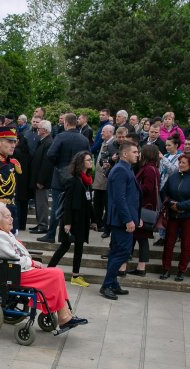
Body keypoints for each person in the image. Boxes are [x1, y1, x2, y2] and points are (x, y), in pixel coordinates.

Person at [0, 202, 88, 329]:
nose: (11, 219)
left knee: (56, 274)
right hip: (10, 272)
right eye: (7, 216)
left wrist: (30, 261)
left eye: (11, 216)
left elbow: (16, 256)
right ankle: (64, 316)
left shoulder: (4, 233)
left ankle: (65, 314)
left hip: (15, 270)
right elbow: (13, 258)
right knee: (56, 273)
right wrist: (31, 262)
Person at [40, 113, 90, 243]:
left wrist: (58, 165)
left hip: (60, 176)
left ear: (66, 123)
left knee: (57, 206)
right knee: (74, 205)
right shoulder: (84, 139)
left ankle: (51, 235)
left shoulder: (61, 136)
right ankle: (71, 235)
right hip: (77, 177)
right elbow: (88, 157)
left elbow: (50, 154)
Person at [47, 151, 95, 287]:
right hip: (72, 219)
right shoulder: (73, 180)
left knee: (79, 247)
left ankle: (75, 275)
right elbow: (67, 202)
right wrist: (67, 222)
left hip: (82, 219)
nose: (90, 162)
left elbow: (88, 201)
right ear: (81, 163)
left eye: (90, 160)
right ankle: (49, 270)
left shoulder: (87, 179)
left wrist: (95, 220)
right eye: (87, 160)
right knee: (65, 246)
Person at [101, 141, 139, 300]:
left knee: (117, 252)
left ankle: (113, 283)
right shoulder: (120, 170)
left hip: (124, 218)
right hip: (121, 220)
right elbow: (120, 198)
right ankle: (107, 284)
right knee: (122, 252)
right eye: (135, 152)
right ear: (125, 154)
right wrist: (128, 220)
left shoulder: (125, 168)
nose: (138, 154)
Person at [160, 154, 190, 281]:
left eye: (183, 162)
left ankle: (181, 270)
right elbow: (163, 192)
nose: (180, 164)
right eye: (180, 162)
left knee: (186, 244)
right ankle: (166, 269)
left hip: (189, 216)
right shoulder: (173, 176)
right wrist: (169, 204)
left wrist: (179, 205)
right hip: (173, 216)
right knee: (169, 243)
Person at [127, 145, 161, 276]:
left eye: (141, 152)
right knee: (139, 237)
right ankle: (137, 266)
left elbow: (147, 188)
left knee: (141, 238)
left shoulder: (148, 169)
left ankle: (141, 267)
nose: (139, 155)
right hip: (146, 207)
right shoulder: (153, 168)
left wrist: (132, 188)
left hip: (143, 208)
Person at [28, 120, 54, 234]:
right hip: (37, 178)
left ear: (45, 130)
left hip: (41, 180)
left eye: (39, 129)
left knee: (42, 203)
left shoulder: (48, 142)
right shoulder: (42, 141)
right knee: (39, 202)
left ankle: (43, 225)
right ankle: (40, 223)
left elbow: (47, 164)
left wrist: (41, 180)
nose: (37, 130)